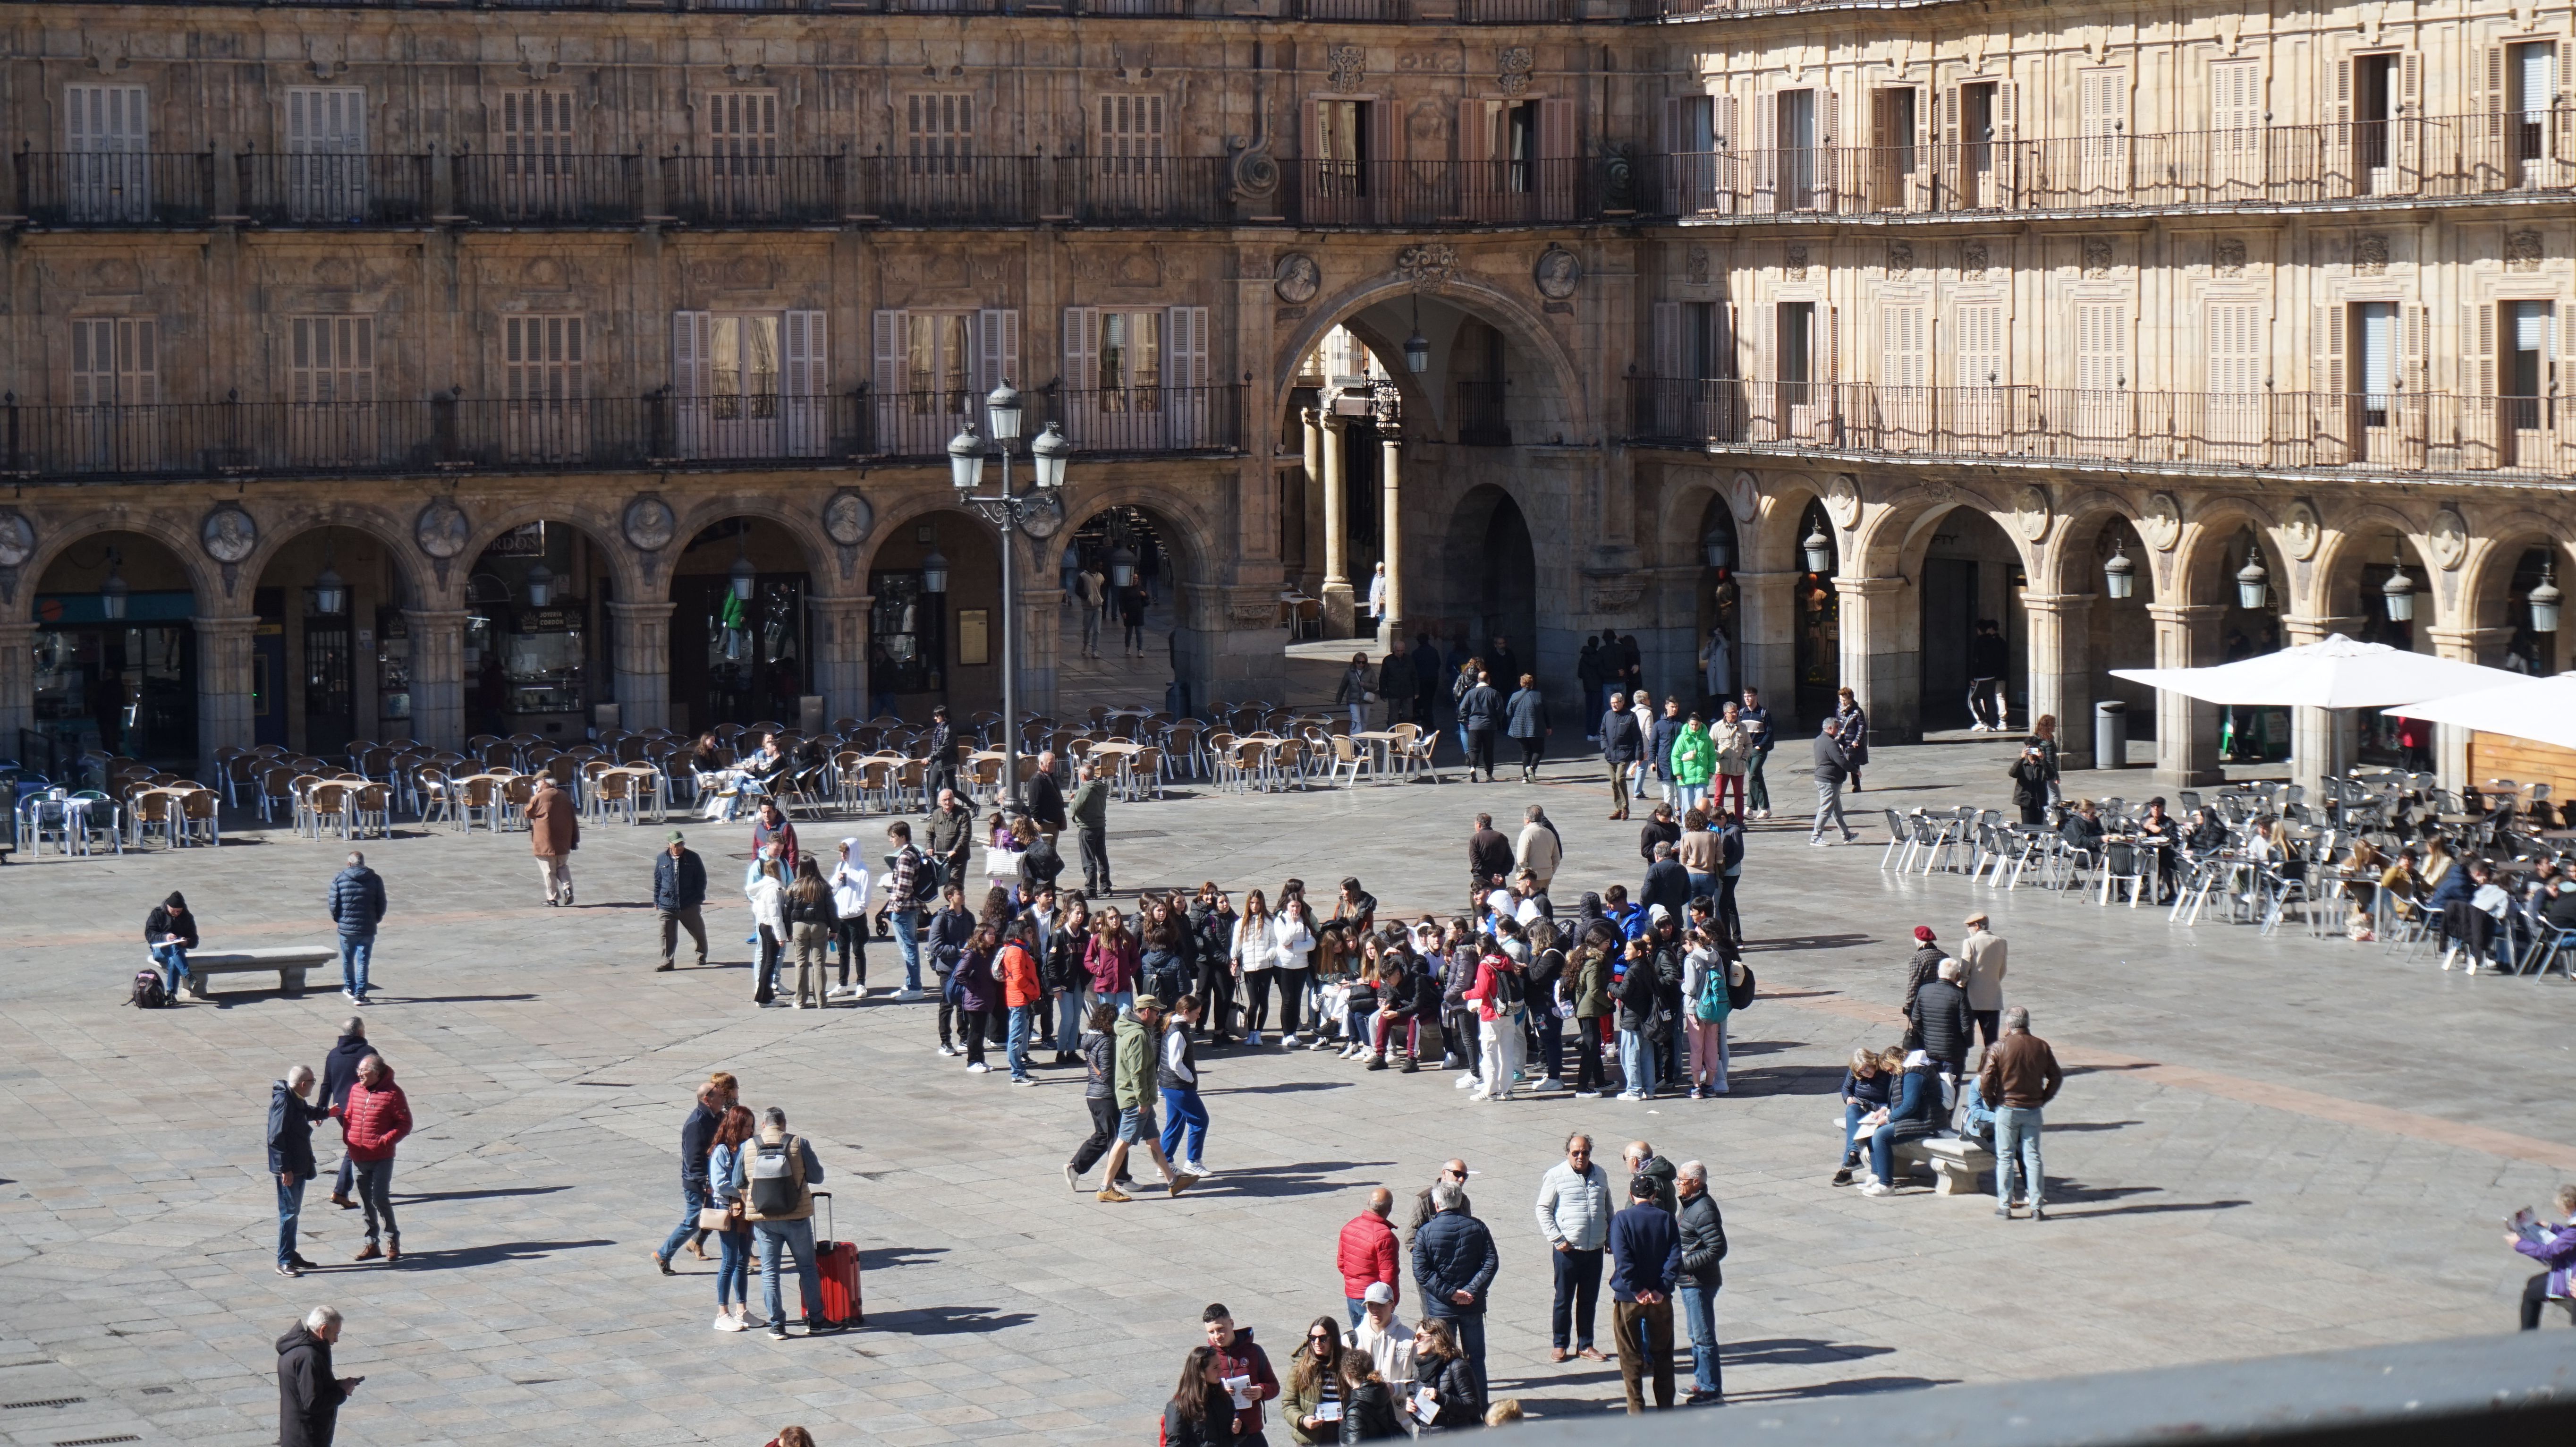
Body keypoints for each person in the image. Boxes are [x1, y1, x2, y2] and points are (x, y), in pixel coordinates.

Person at [1410, 1181, 1498, 1399]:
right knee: (1476, 1359)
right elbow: (1490, 1263)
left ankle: (1443, 1405)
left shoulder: (1426, 1232)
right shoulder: (1478, 1227)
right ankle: (1480, 1407)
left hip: (1441, 1310)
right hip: (1472, 1306)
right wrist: (1470, 1290)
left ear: (1437, 1204)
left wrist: (1450, 1293)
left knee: (1441, 1359)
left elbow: (1421, 1271)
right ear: (1460, 1202)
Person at [1098, 995, 1190, 1200]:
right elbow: (1137, 1072)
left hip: (1138, 1097)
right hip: (1136, 1099)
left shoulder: (1128, 1028)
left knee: (1153, 1140)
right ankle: (1105, 1188)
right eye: (1157, 1013)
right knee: (1123, 1142)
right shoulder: (1138, 1035)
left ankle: (1172, 1181)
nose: (1158, 1017)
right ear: (1146, 1012)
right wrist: (1142, 1101)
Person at [1534, 1132, 1612, 1363]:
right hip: (1567, 1250)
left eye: (1585, 1153)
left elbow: (1608, 1205)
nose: (1580, 1157)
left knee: (1589, 1299)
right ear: (1567, 1152)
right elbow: (1543, 1209)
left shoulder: (1600, 1174)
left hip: (1594, 1248)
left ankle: (1586, 1344)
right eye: (1575, 1153)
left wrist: (1610, 1236)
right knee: (1564, 1298)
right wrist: (1557, 1239)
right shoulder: (1556, 1176)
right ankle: (1560, 1344)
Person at [1979, 1006, 2064, 1219]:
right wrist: (2043, 1098)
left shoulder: (1999, 1047)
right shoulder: (2041, 1046)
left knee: (2006, 1157)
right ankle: (2036, 1206)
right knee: (2033, 1157)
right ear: (2027, 1023)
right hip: (2032, 1109)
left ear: (2008, 1025)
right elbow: (2056, 1077)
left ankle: (2005, 1205)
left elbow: (1986, 1078)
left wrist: (1991, 1101)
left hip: (2007, 1108)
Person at [1606, 1174, 1682, 1413]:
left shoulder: (1622, 1219)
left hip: (1629, 1299)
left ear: (1631, 1196)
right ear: (1654, 1196)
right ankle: (1666, 1410)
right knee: (1663, 1355)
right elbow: (1675, 1258)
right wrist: (1661, 1289)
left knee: (1630, 1356)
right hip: (1661, 1300)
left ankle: (1637, 1411)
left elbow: (1623, 1259)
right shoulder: (1667, 1220)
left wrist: (1638, 1290)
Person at [332, 1054, 410, 1262]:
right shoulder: (356, 1090)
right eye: (358, 1071)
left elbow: (404, 1124)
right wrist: (348, 1138)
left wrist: (384, 1141)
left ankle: (393, 1239)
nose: (359, 1075)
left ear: (376, 1073)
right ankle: (371, 1243)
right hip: (359, 1156)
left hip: (382, 1157)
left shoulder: (393, 1094)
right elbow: (349, 1116)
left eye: (363, 1071)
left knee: (380, 1198)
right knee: (366, 1201)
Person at [653, 1079, 727, 1276]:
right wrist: (705, 1183)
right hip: (698, 1183)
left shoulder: (716, 1116)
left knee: (720, 1218)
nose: (724, 1099)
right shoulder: (697, 1123)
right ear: (707, 1099)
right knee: (693, 1221)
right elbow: (693, 1159)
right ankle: (663, 1254)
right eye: (720, 1096)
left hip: (711, 1181)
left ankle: (727, 1256)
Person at [1672, 1162, 1728, 1404]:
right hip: (1690, 1281)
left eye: (1682, 1180)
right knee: (1696, 1335)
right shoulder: (1690, 1205)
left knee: (1703, 1337)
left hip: (1699, 1282)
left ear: (1697, 1183)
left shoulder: (1703, 1209)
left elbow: (1717, 1248)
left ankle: (1711, 1389)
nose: (1678, 1184)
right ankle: (1702, 1382)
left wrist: (1684, 1264)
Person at [268, 1064, 330, 1277]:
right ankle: (284, 1260)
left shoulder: (295, 1098)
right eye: (313, 1082)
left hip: (298, 1166)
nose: (314, 1085)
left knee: (293, 1213)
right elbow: (275, 1138)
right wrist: (285, 1169)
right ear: (304, 1084)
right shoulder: (284, 1102)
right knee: (289, 1213)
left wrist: (327, 1112)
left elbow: (304, 1113)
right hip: (290, 1169)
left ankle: (291, 1255)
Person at [705, 1104, 760, 1331]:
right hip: (728, 1210)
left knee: (742, 1260)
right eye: (746, 1126)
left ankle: (742, 1310)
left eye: (752, 1126)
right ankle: (722, 1313)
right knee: (729, 1261)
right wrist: (744, 1190)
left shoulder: (748, 1148)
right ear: (736, 1126)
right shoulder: (722, 1150)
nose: (750, 1130)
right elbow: (720, 1184)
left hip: (745, 1211)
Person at [1858, 1050, 1942, 1196]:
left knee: (1881, 1135)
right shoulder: (1908, 1073)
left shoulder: (1914, 1075)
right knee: (1875, 1131)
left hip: (1927, 1122)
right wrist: (1886, 1110)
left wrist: (1889, 1119)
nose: (1890, 1073)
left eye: (1890, 1069)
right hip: (1918, 1119)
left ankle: (1886, 1184)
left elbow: (1910, 1106)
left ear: (1895, 1062)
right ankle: (1878, 1174)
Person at [277, 1305, 358, 1447]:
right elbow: (313, 1403)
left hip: (296, 1435)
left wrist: (336, 1386)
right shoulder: (309, 1357)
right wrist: (341, 1392)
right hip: (306, 1439)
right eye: (336, 1334)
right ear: (323, 1331)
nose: (336, 1340)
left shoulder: (300, 1349)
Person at [1203, 1305, 1282, 1441]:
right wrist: (1220, 1393)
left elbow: (1274, 1386)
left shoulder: (1254, 1352)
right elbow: (1196, 1394)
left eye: (1221, 1329)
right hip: (1221, 1433)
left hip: (1252, 1432)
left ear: (1232, 1324)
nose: (1217, 1336)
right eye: (1211, 1332)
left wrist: (1260, 1391)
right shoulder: (1206, 1357)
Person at [877, 820, 932, 1000]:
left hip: (904, 909)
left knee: (908, 948)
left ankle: (915, 987)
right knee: (909, 946)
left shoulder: (906, 856)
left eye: (893, 837)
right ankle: (910, 983)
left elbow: (904, 886)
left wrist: (897, 907)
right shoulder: (915, 852)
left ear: (902, 837)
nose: (891, 840)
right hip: (912, 908)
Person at [1680, 928, 1738, 1098]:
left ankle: (1697, 1086)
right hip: (1714, 1008)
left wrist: (1681, 985)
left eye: (1685, 946)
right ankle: (1710, 1085)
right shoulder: (1716, 956)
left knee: (1697, 1048)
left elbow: (1690, 988)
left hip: (1696, 1009)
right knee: (1712, 1046)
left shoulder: (1691, 959)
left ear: (1689, 943)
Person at [2510, 1183, 2576, 1329]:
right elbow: (2568, 1235)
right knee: (2532, 1283)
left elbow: (2549, 1251)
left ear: (2568, 1207)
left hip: (2570, 1279)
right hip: (2571, 1270)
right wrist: (2550, 1227)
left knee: (2530, 1295)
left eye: (2560, 1208)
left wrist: (2519, 1244)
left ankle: (2527, 1339)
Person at [325, 851, 387, 1005]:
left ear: (349, 864)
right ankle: (361, 994)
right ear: (363, 863)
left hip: (346, 928)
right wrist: (376, 919)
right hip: (367, 927)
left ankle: (350, 988)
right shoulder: (375, 879)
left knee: (348, 960)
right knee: (363, 961)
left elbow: (334, 904)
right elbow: (382, 903)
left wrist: (339, 920)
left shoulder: (339, 879)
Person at [1160, 994, 1212, 1174]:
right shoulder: (1179, 1031)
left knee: (1175, 1122)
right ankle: (1193, 1162)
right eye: (1197, 1013)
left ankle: (1164, 1164)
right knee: (1200, 1121)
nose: (1199, 1017)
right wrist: (1189, 1077)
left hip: (1169, 1084)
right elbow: (1175, 1063)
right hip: (1179, 1086)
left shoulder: (1174, 1026)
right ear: (1186, 1012)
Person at [1337, 1188, 1401, 1327]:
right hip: (1375, 1300)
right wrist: (1392, 1301)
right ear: (1390, 1208)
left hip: (1352, 1295)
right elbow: (1389, 1275)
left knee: (1360, 1343)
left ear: (1369, 1203)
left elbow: (1342, 1264)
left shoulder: (1349, 1227)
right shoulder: (1384, 1236)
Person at [1283, 1315, 1348, 1447]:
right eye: (1312, 1338)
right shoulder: (1301, 1365)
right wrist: (1303, 1420)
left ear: (1334, 1339)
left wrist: (1348, 1418)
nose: (1317, 1343)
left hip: (1339, 1437)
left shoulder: (1347, 1363)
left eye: (1323, 1339)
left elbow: (1358, 1399)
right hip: (1309, 1440)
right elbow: (1288, 1403)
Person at [1408, 1318, 1481, 1429]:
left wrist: (1441, 1398)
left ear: (1436, 1339)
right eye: (1415, 1338)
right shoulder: (1421, 1371)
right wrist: (1412, 1409)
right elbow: (1423, 1422)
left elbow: (1474, 1408)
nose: (1415, 1342)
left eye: (1420, 1337)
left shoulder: (1457, 1366)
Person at [1910, 956, 1975, 1080]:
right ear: (1957, 976)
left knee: (1933, 1087)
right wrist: (1967, 1044)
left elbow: (1916, 1019)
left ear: (1939, 973)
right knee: (1951, 1089)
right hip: (1954, 1052)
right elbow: (1967, 1026)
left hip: (1930, 1049)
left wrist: (1927, 1036)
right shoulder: (1960, 995)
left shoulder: (1924, 991)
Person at [1162, 1346, 1241, 1447]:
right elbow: (1175, 1443)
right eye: (1215, 1367)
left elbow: (1231, 1438)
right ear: (1201, 1372)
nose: (1221, 1370)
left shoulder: (1224, 1397)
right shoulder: (1179, 1406)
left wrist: (1239, 1430)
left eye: (1220, 1365)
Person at [654, 831, 711, 971]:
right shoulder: (662, 858)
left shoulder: (693, 858)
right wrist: (657, 899)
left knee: (698, 932)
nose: (680, 847)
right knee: (666, 935)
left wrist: (698, 899)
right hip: (667, 903)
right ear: (669, 845)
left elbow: (701, 879)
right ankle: (667, 961)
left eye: (682, 844)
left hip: (688, 904)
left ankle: (701, 955)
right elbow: (658, 880)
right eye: (677, 845)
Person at [785, 858, 836, 1010]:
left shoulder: (794, 886)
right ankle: (821, 1000)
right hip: (819, 926)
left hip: (799, 926)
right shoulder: (823, 886)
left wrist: (788, 931)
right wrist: (835, 929)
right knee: (819, 964)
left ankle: (800, 1000)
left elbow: (787, 910)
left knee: (801, 963)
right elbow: (832, 910)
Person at [1346, 1281, 1416, 1387]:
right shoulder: (1350, 1340)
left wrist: (1395, 1389)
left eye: (1380, 1305)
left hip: (1398, 1403)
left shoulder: (1410, 1339)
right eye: (1370, 1305)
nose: (1375, 1310)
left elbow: (1419, 1381)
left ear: (1392, 1306)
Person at [1000, 919, 1044, 1085]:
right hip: (1020, 1000)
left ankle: (1020, 1071)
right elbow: (1019, 979)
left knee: (1018, 1037)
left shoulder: (1019, 950)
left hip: (1021, 999)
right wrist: (1034, 992)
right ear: (1020, 934)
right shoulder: (1016, 952)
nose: (1032, 935)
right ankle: (1017, 1074)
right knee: (1016, 1038)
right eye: (1029, 932)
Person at [1959, 912, 2008, 1060]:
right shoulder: (2001, 942)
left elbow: (1964, 970)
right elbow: (2003, 969)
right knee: (1991, 1040)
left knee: (1963, 1035)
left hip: (1972, 998)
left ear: (1977, 926)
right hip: (1993, 997)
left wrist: (1961, 984)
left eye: (1970, 926)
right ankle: (1991, 1068)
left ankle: (1958, 1065)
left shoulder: (1970, 942)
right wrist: (1992, 982)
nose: (1968, 929)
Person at [827, 838, 871, 1000]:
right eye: (841, 852)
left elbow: (864, 900)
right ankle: (842, 984)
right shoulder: (841, 867)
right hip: (840, 918)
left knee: (858, 950)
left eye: (846, 852)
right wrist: (836, 880)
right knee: (842, 951)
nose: (843, 855)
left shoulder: (862, 871)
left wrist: (849, 912)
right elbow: (830, 889)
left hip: (855, 918)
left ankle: (861, 983)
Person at [526, 775, 580, 906]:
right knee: (562, 866)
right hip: (564, 839)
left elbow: (528, 813)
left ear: (543, 782)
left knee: (549, 870)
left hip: (545, 841)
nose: (537, 785)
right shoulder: (564, 795)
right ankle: (568, 888)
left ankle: (552, 898)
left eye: (538, 783)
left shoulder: (540, 796)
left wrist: (536, 795)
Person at [746, 856, 788, 1007]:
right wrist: (781, 936)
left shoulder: (763, 887)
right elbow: (776, 915)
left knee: (766, 961)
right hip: (771, 928)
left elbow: (758, 908)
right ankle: (763, 999)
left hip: (764, 926)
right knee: (770, 963)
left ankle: (768, 995)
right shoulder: (773, 889)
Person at [1808, 719, 1858, 845]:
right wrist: (1855, 770)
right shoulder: (1830, 743)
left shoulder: (1819, 740)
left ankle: (1846, 835)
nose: (1839, 729)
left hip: (1823, 779)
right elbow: (1841, 761)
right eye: (1837, 727)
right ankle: (1816, 836)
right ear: (1830, 728)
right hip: (1829, 781)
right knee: (1825, 810)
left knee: (1837, 811)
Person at [144, 889, 200, 1002]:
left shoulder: (187, 917)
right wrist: (165, 937)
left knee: (174, 959)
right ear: (168, 907)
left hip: (178, 951)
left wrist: (187, 942)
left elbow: (194, 940)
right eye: (174, 911)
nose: (176, 914)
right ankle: (189, 977)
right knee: (174, 951)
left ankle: (170, 995)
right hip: (160, 950)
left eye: (179, 912)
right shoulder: (157, 914)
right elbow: (150, 934)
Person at [1600, 690, 1643, 820]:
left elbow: (1637, 737)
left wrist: (1638, 756)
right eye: (1612, 703)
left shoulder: (1630, 716)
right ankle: (1618, 808)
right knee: (1613, 782)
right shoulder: (1608, 715)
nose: (1614, 705)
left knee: (1620, 779)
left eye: (1616, 703)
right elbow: (1602, 732)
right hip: (1611, 754)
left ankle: (1625, 807)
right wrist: (1605, 747)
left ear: (1622, 702)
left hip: (1625, 753)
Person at [1071, 762, 1112, 895]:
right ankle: (1106, 887)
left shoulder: (1085, 789)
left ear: (1083, 776)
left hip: (1087, 828)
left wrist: (1073, 802)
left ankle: (1091, 889)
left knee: (1089, 859)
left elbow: (1075, 809)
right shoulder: (1101, 787)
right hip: (1100, 825)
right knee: (1102, 857)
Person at [1457, 668, 1504, 783]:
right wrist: (1497, 721)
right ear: (1489, 680)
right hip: (1489, 726)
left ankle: (1473, 767)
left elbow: (1462, 709)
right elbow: (1500, 710)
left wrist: (1468, 720)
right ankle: (1489, 774)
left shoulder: (1471, 693)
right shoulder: (1494, 693)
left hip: (1474, 725)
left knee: (1474, 749)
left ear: (1478, 680)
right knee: (1488, 750)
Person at [1504, 673, 1549, 783]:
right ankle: (1532, 768)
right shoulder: (1538, 696)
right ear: (1532, 684)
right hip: (1536, 728)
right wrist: (1549, 726)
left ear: (1521, 684)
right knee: (1539, 750)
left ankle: (1525, 777)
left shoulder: (1515, 696)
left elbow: (1509, 713)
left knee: (1526, 752)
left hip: (1519, 728)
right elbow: (1546, 713)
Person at [1737, 687, 1773, 818]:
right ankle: (1766, 808)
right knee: (1758, 777)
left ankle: (1750, 807)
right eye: (1745, 696)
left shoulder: (1764, 713)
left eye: (1750, 696)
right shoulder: (1741, 713)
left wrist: (1760, 747)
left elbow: (1770, 732)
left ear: (1756, 697)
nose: (1747, 699)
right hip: (1746, 750)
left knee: (1753, 775)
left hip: (1759, 750)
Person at [1966, 619, 2009, 731]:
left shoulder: (1981, 642)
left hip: (1984, 676)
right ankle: (1993, 723)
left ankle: (1984, 721)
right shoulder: (1997, 642)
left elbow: (1976, 660)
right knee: (1991, 699)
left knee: (1975, 699)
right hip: (1994, 676)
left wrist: (1972, 677)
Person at [1647, 697, 1686, 807]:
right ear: (1666, 707)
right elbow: (1653, 745)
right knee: (1668, 793)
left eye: (1676, 707)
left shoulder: (1682, 724)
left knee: (1681, 792)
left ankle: (1678, 811)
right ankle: (1670, 816)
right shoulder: (1659, 725)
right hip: (1665, 764)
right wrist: (1652, 761)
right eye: (1672, 707)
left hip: (1680, 763)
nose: (1675, 709)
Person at [1833, 687, 1871, 792]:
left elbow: (1862, 727)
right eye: (1841, 700)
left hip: (1853, 743)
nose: (1842, 702)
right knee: (1839, 763)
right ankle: (1838, 785)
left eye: (1844, 700)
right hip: (1842, 742)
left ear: (1850, 699)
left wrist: (1857, 740)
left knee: (1854, 765)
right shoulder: (1839, 710)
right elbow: (1837, 724)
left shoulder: (1857, 712)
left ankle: (1856, 785)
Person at [1377, 639, 1416, 730]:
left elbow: (1414, 675)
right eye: (1398, 651)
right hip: (1393, 693)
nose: (1400, 653)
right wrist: (1383, 693)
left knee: (1409, 715)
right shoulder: (1388, 660)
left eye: (1402, 651)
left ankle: (1406, 733)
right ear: (1394, 650)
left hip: (1407, 692)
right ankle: (1393, 736)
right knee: (1393, 716)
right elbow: (1383, 677)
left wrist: (1417, 691)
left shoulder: (1409, 659)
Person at [1336, 652, 1376, 734]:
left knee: (1365, 721)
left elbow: (1375, 685)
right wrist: (1339, 698)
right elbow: (1343, 685)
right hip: (1353, 699)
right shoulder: (1350, 672)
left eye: (1363, 662)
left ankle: (1363, 741)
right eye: (1359, 662)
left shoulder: (1370, 671)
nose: (1361, 664)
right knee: (1356, 720)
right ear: (1355, 662)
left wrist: (1365, 685)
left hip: (1366, 700)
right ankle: (1356, 740)